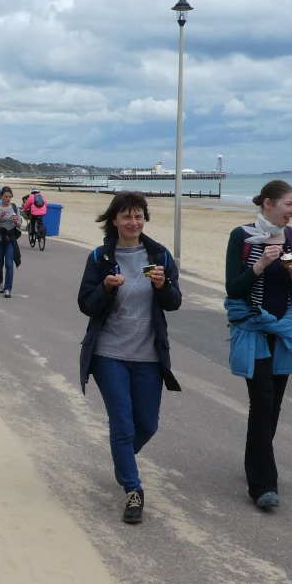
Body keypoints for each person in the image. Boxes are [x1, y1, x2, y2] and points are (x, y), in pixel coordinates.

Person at [78, 191, 182, 524]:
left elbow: (174, 302)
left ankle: (123, 458)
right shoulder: (100, 257)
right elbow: (85, 304)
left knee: (147, 425)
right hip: (109, 353)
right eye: (126, 216)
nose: (133, 222)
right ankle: (132, 489)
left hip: (148, 355)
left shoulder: (159, 255)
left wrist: (163, 287)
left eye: (138, 216)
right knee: (122, 423)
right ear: (114, 220)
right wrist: (106, 288)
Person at [224, 180, 292, 510]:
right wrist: (259, 266)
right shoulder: (242, 237)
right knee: (261, 401)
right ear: (267, 203)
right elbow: (233, 289)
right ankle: (263, 484)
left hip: (285, 331)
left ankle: (256, 461)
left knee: (273, 404)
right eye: (288, 204)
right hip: (253, 328)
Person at [0, 186, 21, 297]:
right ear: (1, 196)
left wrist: (16, 221)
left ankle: (8, 288)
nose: (8, 199)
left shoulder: (15, 207)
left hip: (10, 238)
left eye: (10, 197)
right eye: (6, 196)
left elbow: (19, 225)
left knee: (9, 263)